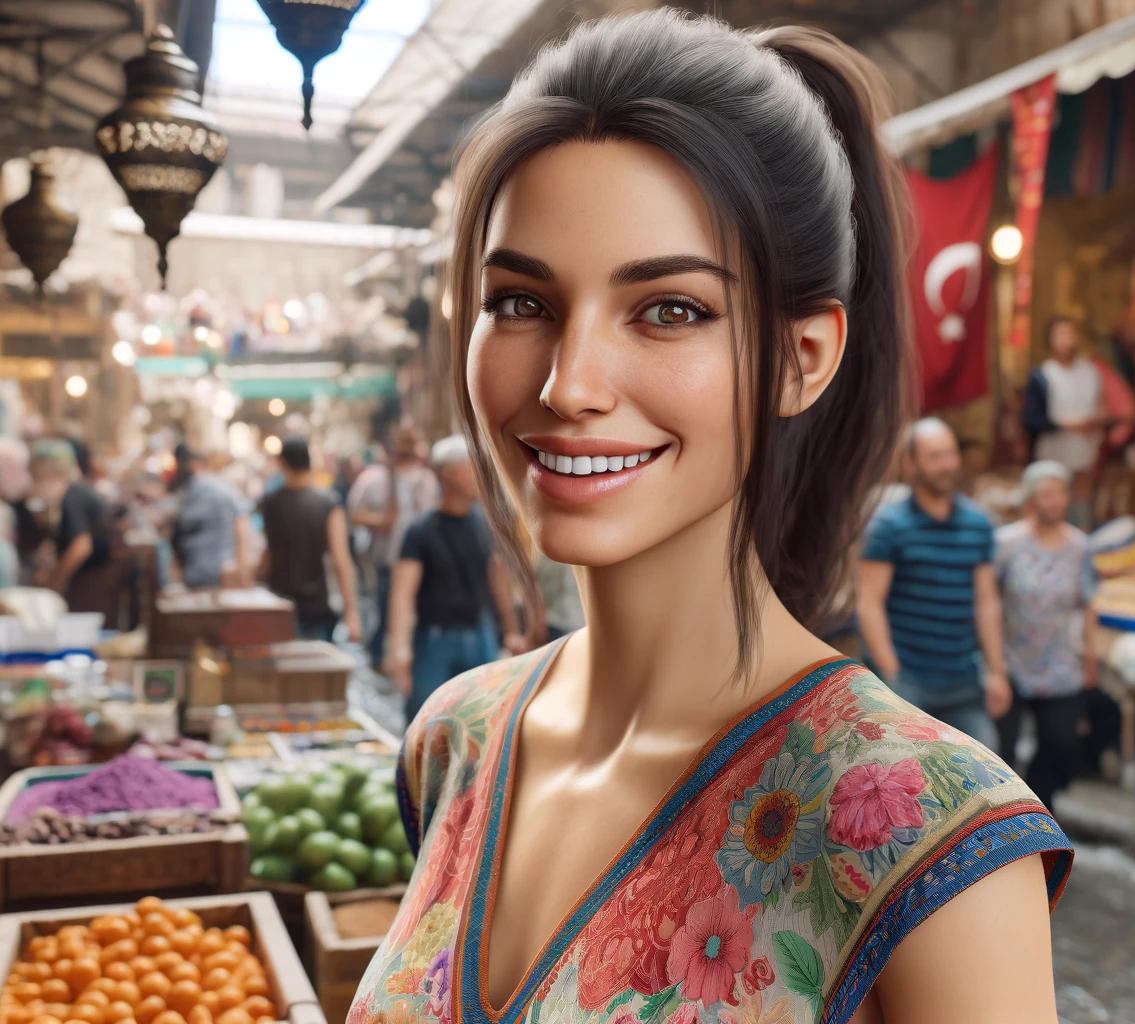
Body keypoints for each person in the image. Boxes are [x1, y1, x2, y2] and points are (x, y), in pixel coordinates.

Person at [351, 15, 1070, 1024]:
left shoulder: (922, 833)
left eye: (669, 309)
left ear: (801, 357)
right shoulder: (455, 740)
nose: (569, 384)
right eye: (520, 301)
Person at [857, 418, 1012, 748]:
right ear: (910, 463)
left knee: (988, 771)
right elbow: (868, 602)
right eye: (934, 457)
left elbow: (987, 601)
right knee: (915, 780)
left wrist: (996, 672)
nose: (946, 465)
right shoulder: (889, 526)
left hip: (964, 681)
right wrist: (891, 672)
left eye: (950, 454)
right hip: (908, 681)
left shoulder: (978, 523)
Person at [381, 436, 527, 721]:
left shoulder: (485, 525)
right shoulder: (420, 531)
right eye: (471, 467)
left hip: (480, 635)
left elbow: (498, 579)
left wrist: (511, 630)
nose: (480, 475)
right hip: (433, 641)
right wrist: (399, 648)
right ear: (447, 473)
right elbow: (402, 593)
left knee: (482, 724)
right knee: (426, 724)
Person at [993, 461, 1099, 812]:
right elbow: (987, 601)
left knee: (1060, 742)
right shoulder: (1005, 543)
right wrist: (991, 662)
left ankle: (1040, 812)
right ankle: (1005, 818)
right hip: (1010, 658)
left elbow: (1087, 606)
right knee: (1000, 748)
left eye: (1060, 493)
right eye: (1046, 494)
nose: (1055, 501)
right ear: (1030, 499)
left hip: (1060, 662)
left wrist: (1090, 661)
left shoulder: (1080, 546)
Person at [348, 422, 439, 663]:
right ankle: (379, 655)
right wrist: (380, 521)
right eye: (404, 440)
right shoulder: (374, 477)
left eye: (412, 440)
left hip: (424, 560)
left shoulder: (427, 478)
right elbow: (354, 514)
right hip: (388, 557)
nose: (408, 445)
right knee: (386, 608)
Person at [257, 437, 361, 643]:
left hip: (278, 605)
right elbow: (341, 561)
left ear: (282, 463)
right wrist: (352, 613)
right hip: (316, 606)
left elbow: (267, 556)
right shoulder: (327, 503)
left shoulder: (269, 503)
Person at [1022, 318, 1106, 526]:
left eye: (1070, 334)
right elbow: (1030, 419)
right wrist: (1067, 425)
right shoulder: (1042, 376)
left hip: (1084, 453)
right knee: (1053, 502)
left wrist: (1097, 419)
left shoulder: (1090, 372)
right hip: (1053, 454)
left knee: (1081, 502)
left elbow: (1101, 405)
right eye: (1061, 335)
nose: (1067, 340)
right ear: (1050, 342)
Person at [29, 439, 121, 625]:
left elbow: (81, 546)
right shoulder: (68, 497)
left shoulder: (72, 496)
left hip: (97, 578)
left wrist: (55, 581)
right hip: (92, 578)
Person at [168, 443, 253, 589]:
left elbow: (241, 526)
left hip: (209, 573)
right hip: (219, 571)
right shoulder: (219, 487)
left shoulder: (201, 489)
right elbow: (242, 527)